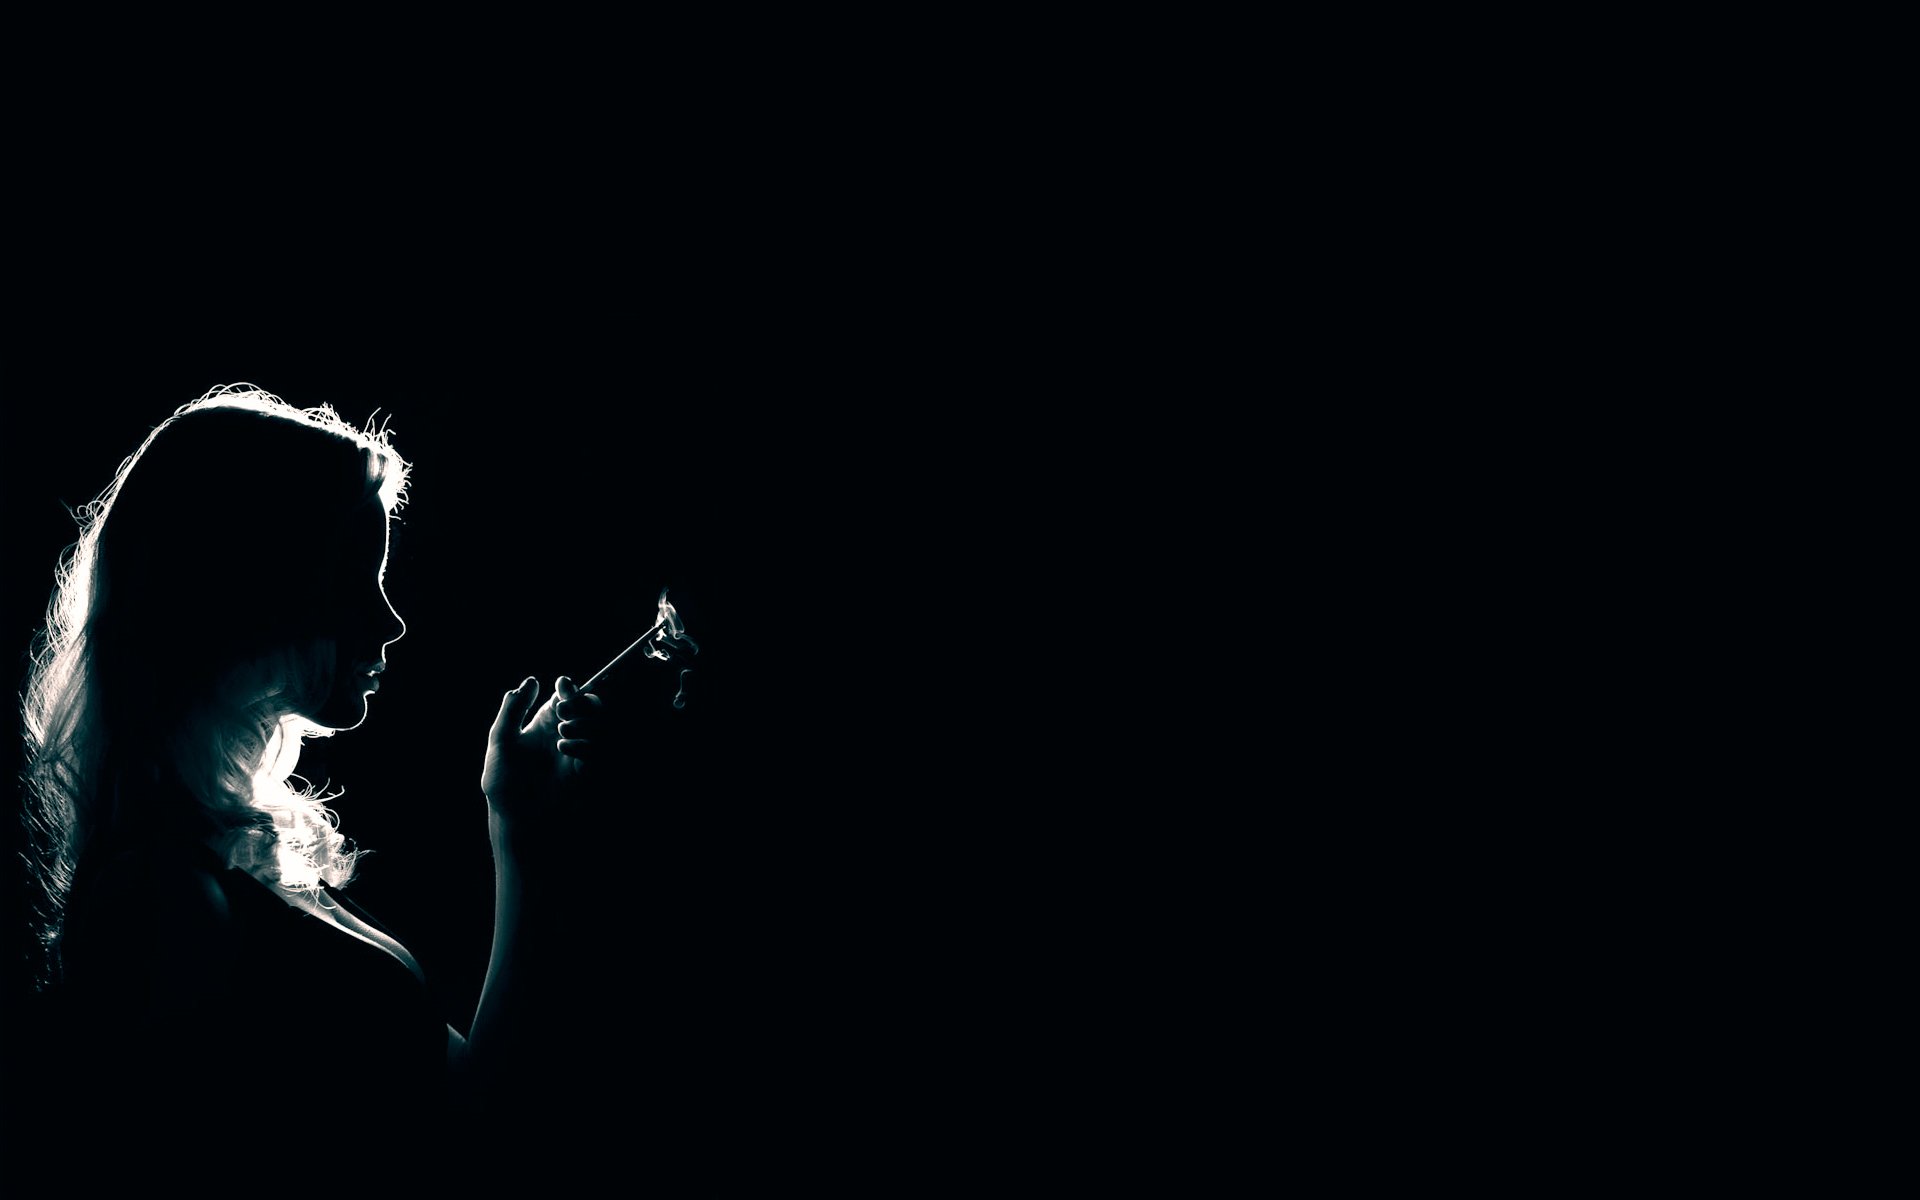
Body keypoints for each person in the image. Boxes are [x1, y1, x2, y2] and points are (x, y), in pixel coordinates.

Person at [12, 385, 637, 1175]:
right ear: (242, 593)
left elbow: (472, 1106)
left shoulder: (224, 855)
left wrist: (518, 829)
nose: (391, 622)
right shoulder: (162, 899)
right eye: (351, 583)